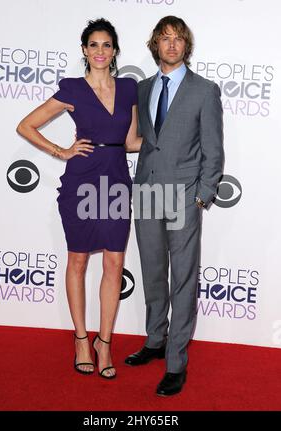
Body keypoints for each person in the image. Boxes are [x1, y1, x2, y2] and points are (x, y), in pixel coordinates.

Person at [17, 18, 141, 379]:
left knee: (115, 264)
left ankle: (105, 342)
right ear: (84, 50)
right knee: (78, 262)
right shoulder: (72, 88)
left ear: (114, 51)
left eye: (106, 44)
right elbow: (26, 125)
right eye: (93, 44)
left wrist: (173, 146)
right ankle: (82, 339)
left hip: (116, 181)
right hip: (81, 182)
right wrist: (60, 150)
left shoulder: (130, 88)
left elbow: (132, 141)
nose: (100, 51)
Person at [125, 16, 224, 396]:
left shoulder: (204, 90)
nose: (171, 44)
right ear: (155, 44)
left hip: (184, 195)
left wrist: (202, 196)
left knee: (182, 278)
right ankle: (155, 340)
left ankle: (176, 362)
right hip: (147, 191)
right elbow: (144, 140)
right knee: (152, 272)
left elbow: (213, 151)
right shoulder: (144, 87)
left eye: (178, 38)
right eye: (164, 38)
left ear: (186, 45)